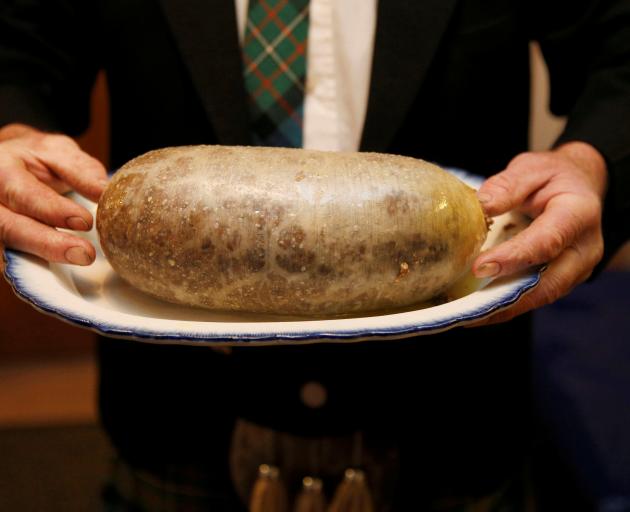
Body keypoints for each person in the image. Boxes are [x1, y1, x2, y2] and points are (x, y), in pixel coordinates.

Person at [1, 0, 629, 510]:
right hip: (176, 420)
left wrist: (591, 160)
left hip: (453, 422)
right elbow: (18, 47)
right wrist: (10, 131)